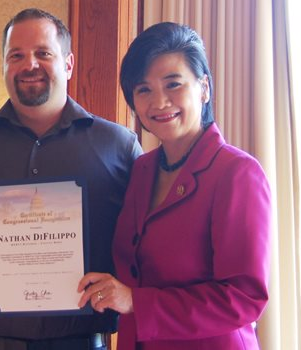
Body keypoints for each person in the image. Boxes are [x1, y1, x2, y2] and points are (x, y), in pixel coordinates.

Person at [0, 8, 142, 350]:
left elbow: (151, 249)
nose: (30, 65)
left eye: (43, 53)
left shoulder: (118, 146)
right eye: (16, 56)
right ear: (3, 66)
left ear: (68, 63)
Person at [77, 22, 271, 350]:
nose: (160, 102)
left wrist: (136, 302)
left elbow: (243, 297)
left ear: (204, 87)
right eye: (144, 90)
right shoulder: (141, 169)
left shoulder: (237, 173)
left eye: (173, 84)